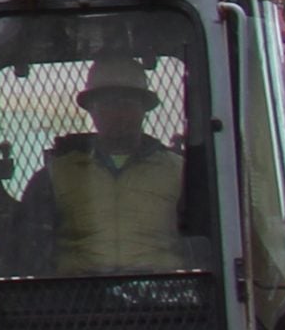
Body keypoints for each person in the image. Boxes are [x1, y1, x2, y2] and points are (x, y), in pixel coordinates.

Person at [33, 63, 195, 277]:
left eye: (127, 104)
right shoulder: (55, 175)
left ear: (144, 109)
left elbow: (202, 245)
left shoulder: (180, 172)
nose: (118, 114)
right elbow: (28, 247)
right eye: (107, 104)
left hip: (165, 299)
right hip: (75, 300)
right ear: (91, 110)